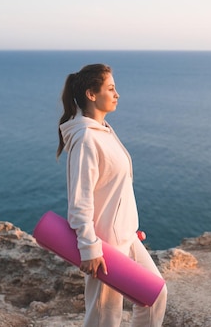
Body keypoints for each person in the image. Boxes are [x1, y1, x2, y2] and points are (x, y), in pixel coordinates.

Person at [56, 64, 167, 327]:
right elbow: (79, 200)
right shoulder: (86, 139)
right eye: (111, 88)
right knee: (104, 319)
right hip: (104, 247)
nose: (117, 94)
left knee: (154, 295)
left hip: (125, 238)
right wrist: (89, 248)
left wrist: (127, 224)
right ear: (91, 94)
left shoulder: (102, 131)